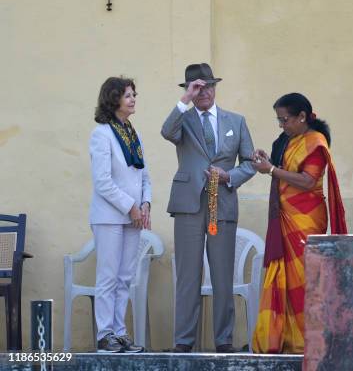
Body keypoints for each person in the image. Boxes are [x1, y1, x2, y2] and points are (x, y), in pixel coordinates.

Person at [161, 63, 255, 353]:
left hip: (222, 201)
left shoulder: (236, 121)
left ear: (216, 87)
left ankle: (224, 340)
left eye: (209, 86)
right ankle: (184, 342)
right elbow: (166, 131)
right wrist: (185, 99)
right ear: (191, 90)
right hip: (189, 203)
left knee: (223, 274)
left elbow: (250, 162)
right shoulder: (184, 119)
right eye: (198, 87)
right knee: (188, 274)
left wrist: (231, 176)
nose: (205, 92)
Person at [251, 92, 348, 353]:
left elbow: (306, 180)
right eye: (279, 121)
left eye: (284, 120)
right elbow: (285, 172)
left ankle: (306, 341)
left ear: (302, 117)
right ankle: (283, 339)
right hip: (285, 216)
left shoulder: (315, 142)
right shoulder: (289, 140)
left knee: (304, 278)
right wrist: (268, 162)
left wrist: (270, 170)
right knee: (282, 274)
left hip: (306, 219)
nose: (281, 125)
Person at [89, 77, 151, 353]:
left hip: (134, 216)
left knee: (125, 276)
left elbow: (143, 175)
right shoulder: (101, 134)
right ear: (113, 99)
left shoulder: (131, 132)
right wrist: (131, 206)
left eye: (133, 94)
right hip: (110, 216)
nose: (133, 98)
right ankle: (105, 335)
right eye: (128, 95)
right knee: (108, 276)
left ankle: (120, 333)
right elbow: (102, 181)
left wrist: (146, 203)